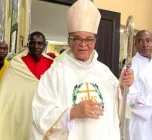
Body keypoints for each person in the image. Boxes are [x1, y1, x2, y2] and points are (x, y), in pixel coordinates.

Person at [30, 0, 134, 139]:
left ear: (95, 41)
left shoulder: (104, 72)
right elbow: (40, 115)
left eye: (88, 39)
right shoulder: (54, 74)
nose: (83, 45)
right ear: (69, 40)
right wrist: (72, 112)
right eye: (77, 39)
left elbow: (117, 112)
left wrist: (121, 88)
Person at [0, 31, 54, 140]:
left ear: (45, 45)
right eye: (32, 43)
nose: (36, 46)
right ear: (28, 45)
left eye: (40, 43)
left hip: (44, 113)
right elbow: (6, 93)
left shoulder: (52, 65)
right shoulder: (17, 63)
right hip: (21, 110)